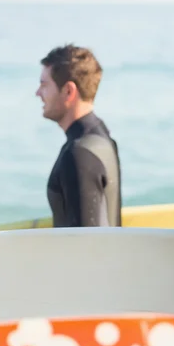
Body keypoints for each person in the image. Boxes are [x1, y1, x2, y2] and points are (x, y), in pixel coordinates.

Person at [36, 44, 122, 227]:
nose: (38, 93)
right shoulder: (101, 137)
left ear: (68, 91)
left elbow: (85, 243)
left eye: (44, 85)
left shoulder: (78, 154)